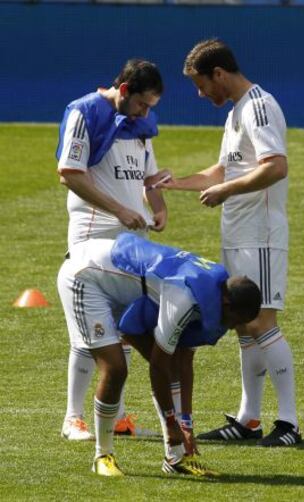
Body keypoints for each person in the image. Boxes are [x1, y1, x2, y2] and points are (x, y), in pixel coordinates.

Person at [152, 39, 301, 447]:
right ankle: (248, 418)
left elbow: (276, 167)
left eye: (202, 85)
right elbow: (223, 170)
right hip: (238, 234)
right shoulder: (236, 113)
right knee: (244, 327)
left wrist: (227, 191)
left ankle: (289, 423)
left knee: (262, 323)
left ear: (219, 73)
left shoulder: (259, 106)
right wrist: (178, 183)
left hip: (262, 236)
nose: (201, 94)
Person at [57, 232, 261, 476]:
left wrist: (186, 423)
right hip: (85, 275)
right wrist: (172, 422)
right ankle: (103, 456)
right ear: (227, 305)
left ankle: (175, 459)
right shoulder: (184, 297)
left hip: (125, 286)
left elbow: (184, 360)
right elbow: (158, 366)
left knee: (172, 364)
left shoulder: (214, 292)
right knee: (115, 369)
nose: (230, 329)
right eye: (234, 322)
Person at [56, 59, 167, 441]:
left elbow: (149, 177)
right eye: (142, 105)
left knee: (125, 329)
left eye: (151, 107)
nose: (145, 113)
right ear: (123, 90)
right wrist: (119, 209)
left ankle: (117, 417)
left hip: (133, 242)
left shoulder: (140, 126)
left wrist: (158, 206)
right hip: (93, 236)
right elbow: (69, 172)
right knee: (89, 331)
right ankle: (73, 418)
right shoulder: (84, 112)